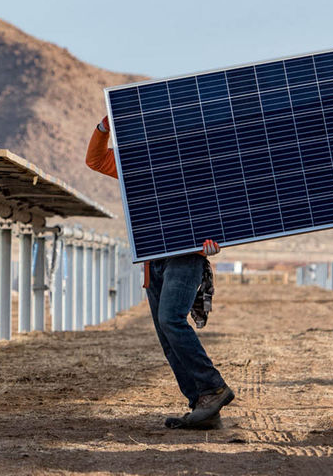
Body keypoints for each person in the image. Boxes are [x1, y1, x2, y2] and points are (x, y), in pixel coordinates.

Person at [86, 116, 235, 430]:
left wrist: (215, 241)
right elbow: (96, 160)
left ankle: (214, 387)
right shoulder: (137, 163)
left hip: (186, 257)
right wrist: (104, 127)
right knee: (167, 338)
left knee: (171, 320)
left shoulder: (204, 166)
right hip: (153, 261)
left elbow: (226, 211)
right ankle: (202, 407)